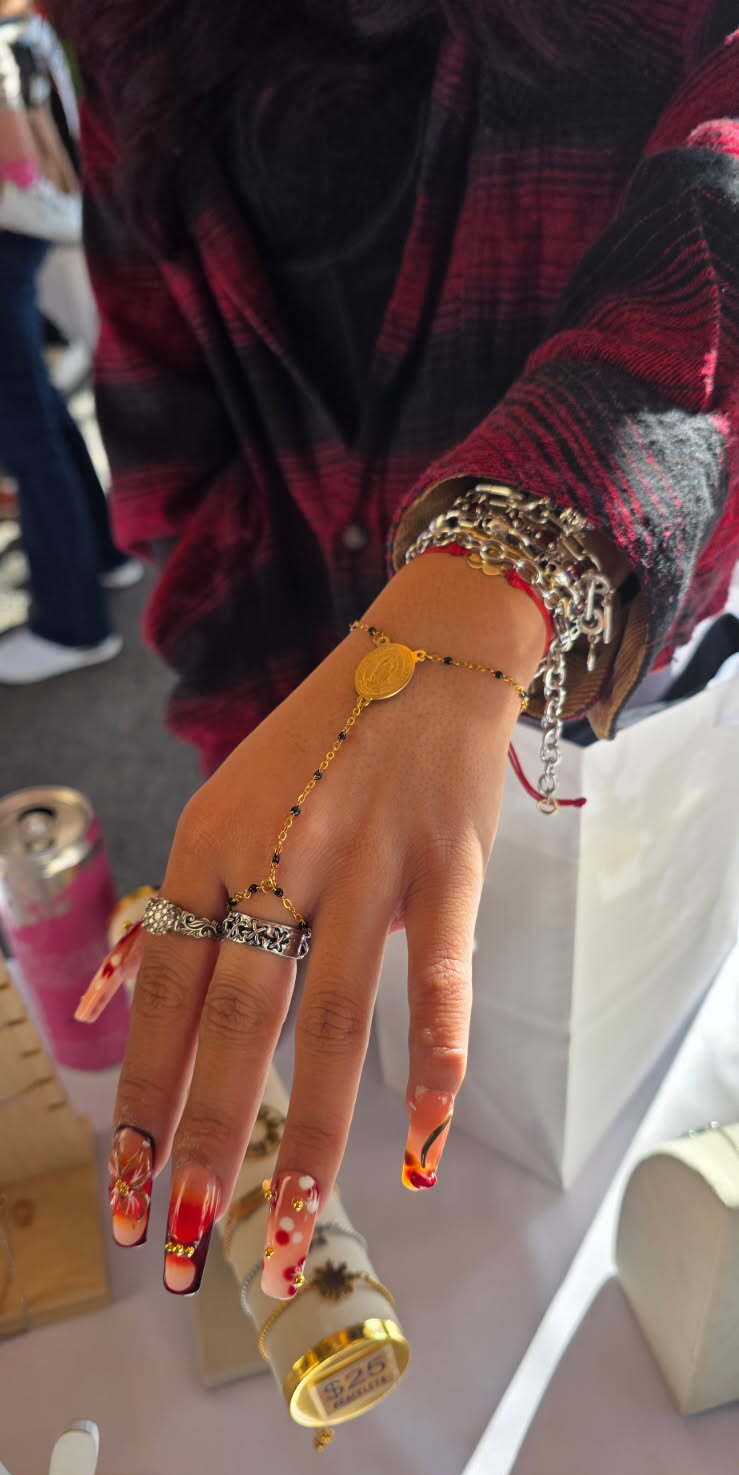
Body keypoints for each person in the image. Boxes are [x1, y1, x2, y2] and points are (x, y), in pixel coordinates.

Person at [69, 0, 739, 1296]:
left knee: (600, 1129)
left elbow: (713, 230)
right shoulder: (124, 33)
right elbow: (171, 450)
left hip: (617, 700)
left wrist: (509, 554)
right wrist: (257, 737)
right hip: (313, 725)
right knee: (362, 1092)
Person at [0, 5, 140, 685]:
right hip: (25, 228)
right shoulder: (23, 29)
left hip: (12, 228)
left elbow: (19, 162)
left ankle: (72, 621)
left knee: (24, 426)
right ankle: (103, 554)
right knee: (37, 409)